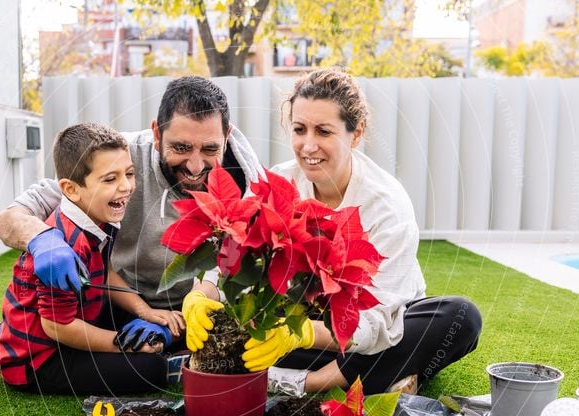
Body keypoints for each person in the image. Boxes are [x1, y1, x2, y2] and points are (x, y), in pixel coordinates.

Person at [194, 69, 482, 396]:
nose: (308, 145)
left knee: (460, 318)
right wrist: (202, 293)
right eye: (299, 129)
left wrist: (301, 334)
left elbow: (378, 324)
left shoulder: (386, 205)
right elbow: (231, 249)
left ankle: (311, 382)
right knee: (238, 335)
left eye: (324, 131)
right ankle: (384, 378)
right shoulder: (277, 182)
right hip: (299, 324)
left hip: (371, 329)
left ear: (355, 135)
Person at [0, 76, 266, 345]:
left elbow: (238, 258)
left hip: (201, 302)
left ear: (226, 137)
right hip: (119, 297)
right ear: (157, 134)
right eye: (180, 147)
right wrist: (43, 241)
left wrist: (202, 296)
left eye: (209, 149)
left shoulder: (245, 181)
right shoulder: (118, 159)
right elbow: (9, 219)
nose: (195, 167)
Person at [0, 122, 174, 396]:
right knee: (151, 370)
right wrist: (120, 345)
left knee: (151, 322)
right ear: (72, 189)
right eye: (110, 179)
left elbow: (106, 271)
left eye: (129, 174)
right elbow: (56, 326)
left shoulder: (99, 216)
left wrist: (143, 310)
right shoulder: (66, 244)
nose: (126, 187)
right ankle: (7, 344)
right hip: (41, 358)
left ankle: (4, 336)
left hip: (78, 316)